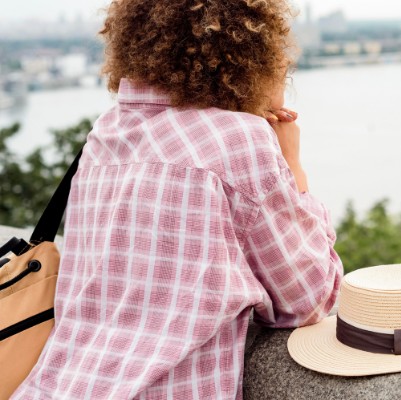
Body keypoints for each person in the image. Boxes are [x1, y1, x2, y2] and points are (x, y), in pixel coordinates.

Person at [11, 0, 343, 398]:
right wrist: (293, 168)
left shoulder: (104, 136)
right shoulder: (237, 140)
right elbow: (308, 298)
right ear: (252, 51)